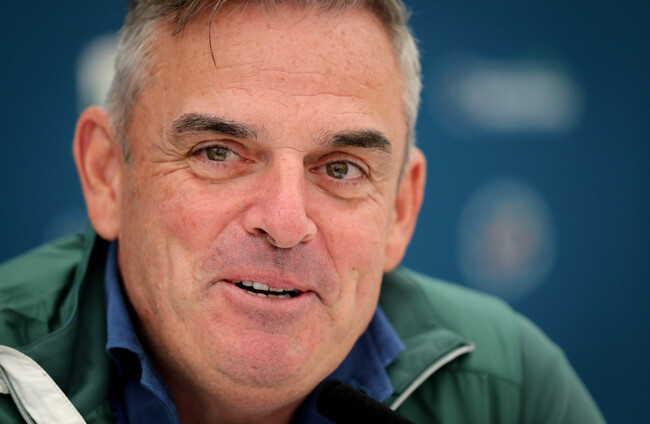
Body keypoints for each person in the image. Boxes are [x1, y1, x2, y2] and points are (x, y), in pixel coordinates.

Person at [0, 1, 605, 423]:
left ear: (400, 208)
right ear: (108, 175)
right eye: (218, 153)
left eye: (340, 169)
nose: (286, 223)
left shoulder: (511, 389)